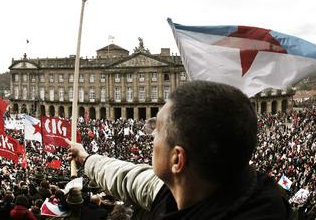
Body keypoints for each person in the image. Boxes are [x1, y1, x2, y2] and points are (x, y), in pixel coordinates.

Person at [68, 80, 290, 219]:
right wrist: (87, 159)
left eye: (159, 130)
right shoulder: (177, 189)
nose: (152, 135)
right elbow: (128, 177)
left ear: (177, 159)